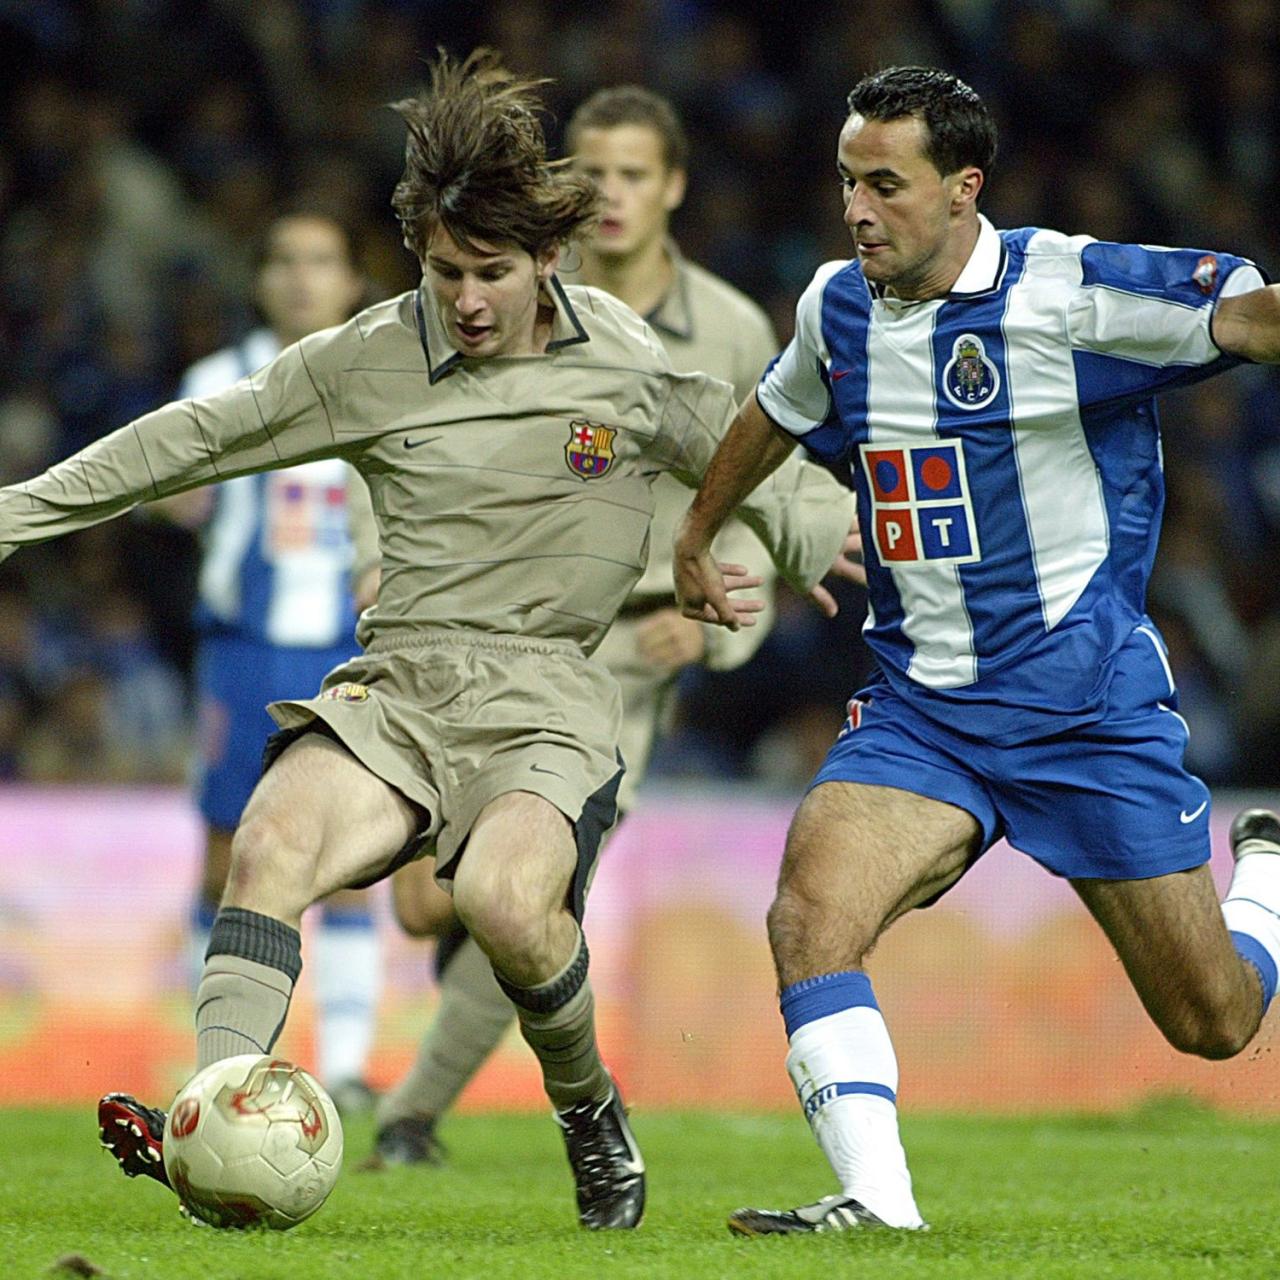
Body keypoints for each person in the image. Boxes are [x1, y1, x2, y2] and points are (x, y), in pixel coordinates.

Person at [0, 50, 857, 1231]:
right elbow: (192, 439)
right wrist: (18, 513)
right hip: (399, 684)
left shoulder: (615, 356)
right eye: (443, 269)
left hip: (552, 693)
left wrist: (817, 532)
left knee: (508, 902)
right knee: (270, 841)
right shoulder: (369, 358)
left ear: (548, 258)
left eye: (490, 272)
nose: (462, 297)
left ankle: (586, 1106)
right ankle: (209, 1123)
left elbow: (733, 438)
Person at [673, 64, 1280, 1236]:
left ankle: (1265, 878)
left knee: (1210, 1019)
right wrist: (700, 530)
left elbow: (1247, 316)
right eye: (846, 181)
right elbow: (773, 409)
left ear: (961, 190)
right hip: (923, 713)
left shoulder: (1065, 291)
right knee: (809, 912)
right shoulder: (834, 306)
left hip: (1082, 712)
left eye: (884, 186)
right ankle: (875, 1207)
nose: (856, 209)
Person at [364, 85, 788, 1168]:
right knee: (426, 904)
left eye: (634, 173)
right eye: (590, 171)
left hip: (628, 649)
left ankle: (407, 1116)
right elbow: (418, 439)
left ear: (674, 187)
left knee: (527, 892)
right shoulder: (511, 289)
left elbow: (758, 482)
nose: (609, 193)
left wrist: (715, 627)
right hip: (469, 622)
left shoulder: (732, 329)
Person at [160, 210, 383, 1113]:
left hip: (348, 650)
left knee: (356, 858)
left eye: (320, 261)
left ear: (351, 281)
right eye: (283, 261)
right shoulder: (215, 380)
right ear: (260, 280)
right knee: (223, 854)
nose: (300, 278)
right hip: (244, 650)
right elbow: (167, 493)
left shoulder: (381, 379)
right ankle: (216, 1063)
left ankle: (348, 1070)